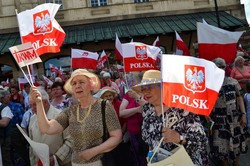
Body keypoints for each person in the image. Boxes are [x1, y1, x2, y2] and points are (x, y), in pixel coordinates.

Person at [30, 69, 122, 166]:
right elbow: (47, 128)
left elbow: (117, 137)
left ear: (91, 85)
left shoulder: (104, 105)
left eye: (81, 82)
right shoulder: (71, 110)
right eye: (74, 83)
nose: (77, 86)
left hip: (99, 162)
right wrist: (39, 103)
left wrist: (93, 151)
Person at [132, 70, 209, 166]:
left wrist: (179, 138)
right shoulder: (148, 111)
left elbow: (202, 141)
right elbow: (148, 141)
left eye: (150, 87)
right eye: (143, 89)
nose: (146, 92)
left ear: (163, 88)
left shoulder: (182, 110)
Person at [210, 58, 248, 166]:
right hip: (218, 119)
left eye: (222, 67)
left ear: (225, 68)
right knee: (221, 144)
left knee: (237, 142)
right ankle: (224, 163)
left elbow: (240, 97)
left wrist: (244, 115)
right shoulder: (211, 84)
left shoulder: (233, 81)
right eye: (217, 67)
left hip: (234, 118)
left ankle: (236, 162)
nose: (220, 69)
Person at [29, 87, 72, 166]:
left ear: (45, 102)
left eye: (35, 104)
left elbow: (70, 141)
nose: (32, 108)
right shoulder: (32, 119)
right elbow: (32, 146)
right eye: (30, 105)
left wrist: (56, 157)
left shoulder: (61, 116)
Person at [0, 89, 14, 166]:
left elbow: (4, 123)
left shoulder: (5, 108)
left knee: (5, 160)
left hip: (4, 140)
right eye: (7, 97)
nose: (8, 98)